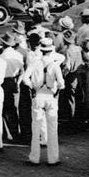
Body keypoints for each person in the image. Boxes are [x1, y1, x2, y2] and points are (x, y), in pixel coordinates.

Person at [24, 37, 64, 166]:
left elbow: (25, 79)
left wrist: (32, 87)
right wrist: (55, 91)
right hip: (50, 96)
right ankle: (53, 158)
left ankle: (34, 157)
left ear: (41, 49)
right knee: (53, 127)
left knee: (36, 128)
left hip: (38, 95)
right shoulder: (54, 64)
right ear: (51, 49)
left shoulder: (35, 63)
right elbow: (62, 84)